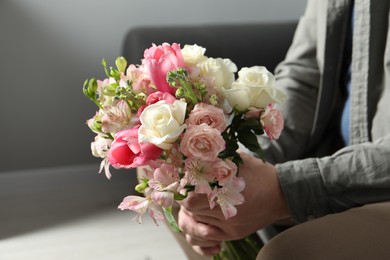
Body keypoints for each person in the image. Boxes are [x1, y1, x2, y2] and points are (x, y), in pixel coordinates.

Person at [177, 0, 390, 259]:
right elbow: (305, 76)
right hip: (338, 156)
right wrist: (243, 161)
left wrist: (286, 189)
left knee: (289, 252)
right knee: (175, 180)